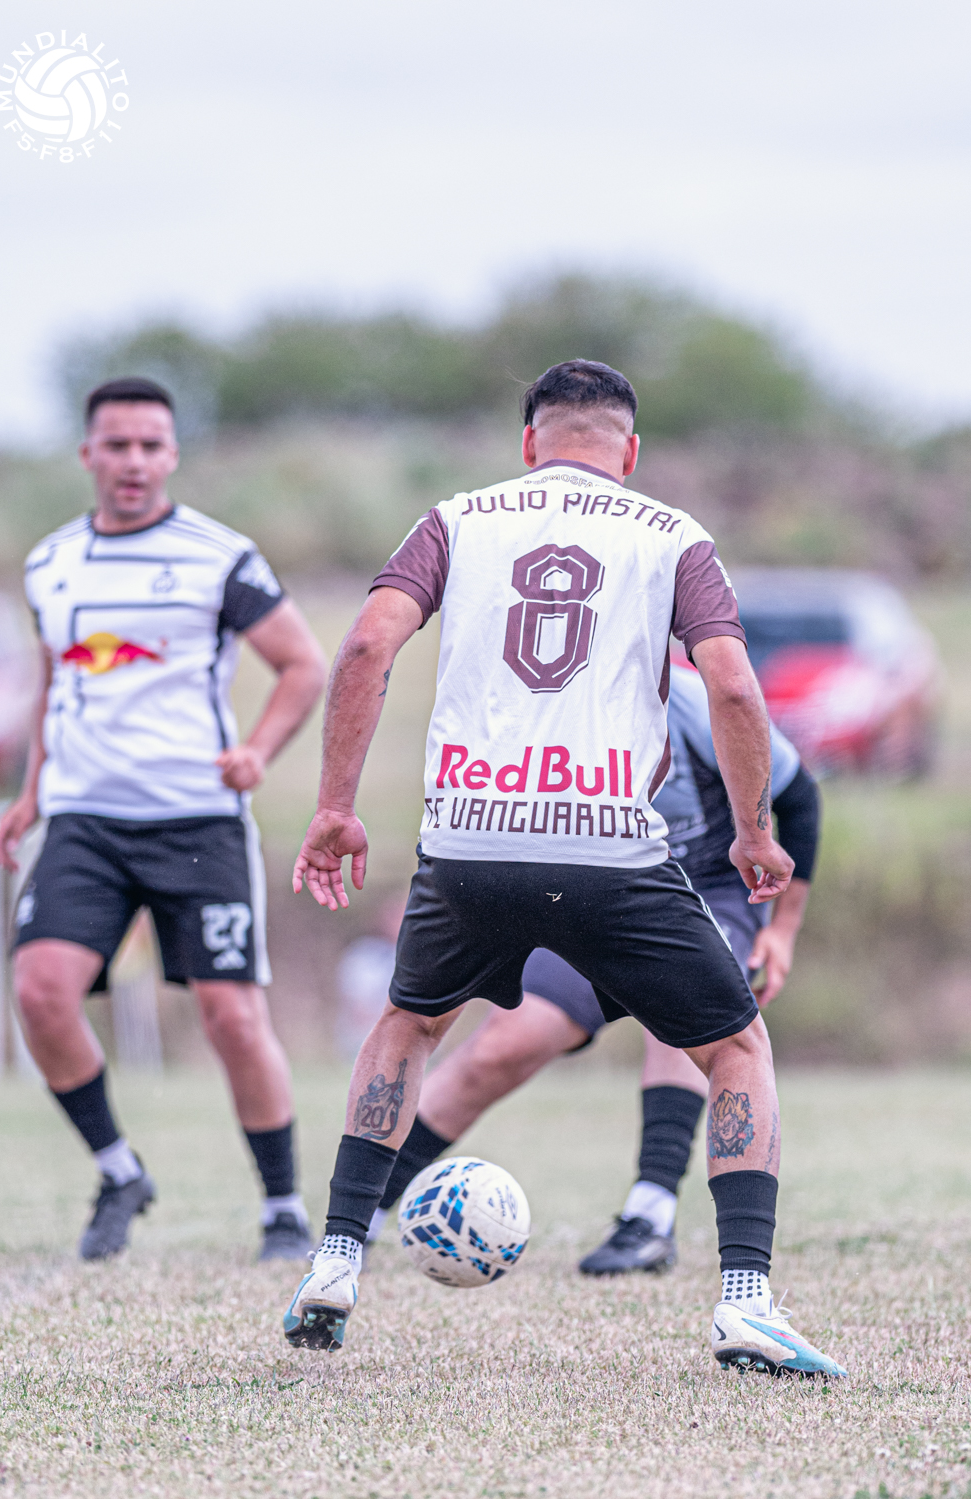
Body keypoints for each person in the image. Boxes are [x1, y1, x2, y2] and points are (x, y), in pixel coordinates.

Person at [284, 359, 845, 1378]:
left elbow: (365, 646)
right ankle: (746, 1301)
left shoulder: (456, 519)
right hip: (609, 846)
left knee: (409, 1025)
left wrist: (333, 809)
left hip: (469, 841)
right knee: (735, 1047)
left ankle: (334, 1256)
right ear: (629, 452)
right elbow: (731, 686)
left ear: (528, 443)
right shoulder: (671, 534)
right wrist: (752, 830)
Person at [0, 377, 327, 1263]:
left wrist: (257, 750)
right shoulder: (51, 563)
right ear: (88, 455)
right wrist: (31, 792)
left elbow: (303, 664)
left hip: (196, 822)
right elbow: (56, 683)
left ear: (172, 454)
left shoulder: (220, 556)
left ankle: (283, 1210)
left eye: (150, 445)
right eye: (118, 445)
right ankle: (118, 1169)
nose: (134, 461)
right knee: (40, 991)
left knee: (231, 1016)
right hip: (85, 819)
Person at [365, 661, 820, 1277]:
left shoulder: (692, 701)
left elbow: (799, 798)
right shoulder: (547, 706)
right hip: (603, 892)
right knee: (505, 1044)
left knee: (684, 1023)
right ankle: (368, 1209)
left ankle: (649, 1217)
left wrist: (782, 932)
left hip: (709, 889)